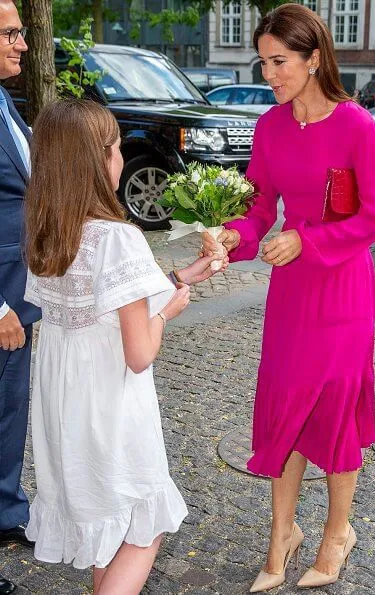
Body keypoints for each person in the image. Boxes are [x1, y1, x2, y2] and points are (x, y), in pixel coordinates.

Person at [202, 4, 375, 591]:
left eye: (279, 61)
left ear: (314, 58)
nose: (269, 75)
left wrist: (305, 240)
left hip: (342, 289)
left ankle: (338, 531)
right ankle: (281, 534)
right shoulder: (270, 127)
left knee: (333, 408)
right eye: (263, 63)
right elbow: (261, 209)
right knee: (284, 402)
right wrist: (232, 235)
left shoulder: (358, 125)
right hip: (291, 292)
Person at [23, 99, 224, 594]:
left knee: (107, 532)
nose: (121, 158)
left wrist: (175, 279)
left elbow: (96, 305)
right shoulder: (118, 237)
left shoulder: (48, 231)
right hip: (110, 402)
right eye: (115, 149)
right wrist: (166, 309)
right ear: (100, 160)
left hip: (65, 399)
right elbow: (139, 352)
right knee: (142, 528)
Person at [0, 3, 39, 593]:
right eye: (9, 33)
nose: (22, 45)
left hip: (22, 286)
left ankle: (6, 511)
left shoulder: (5, 102)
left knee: (10, 408)